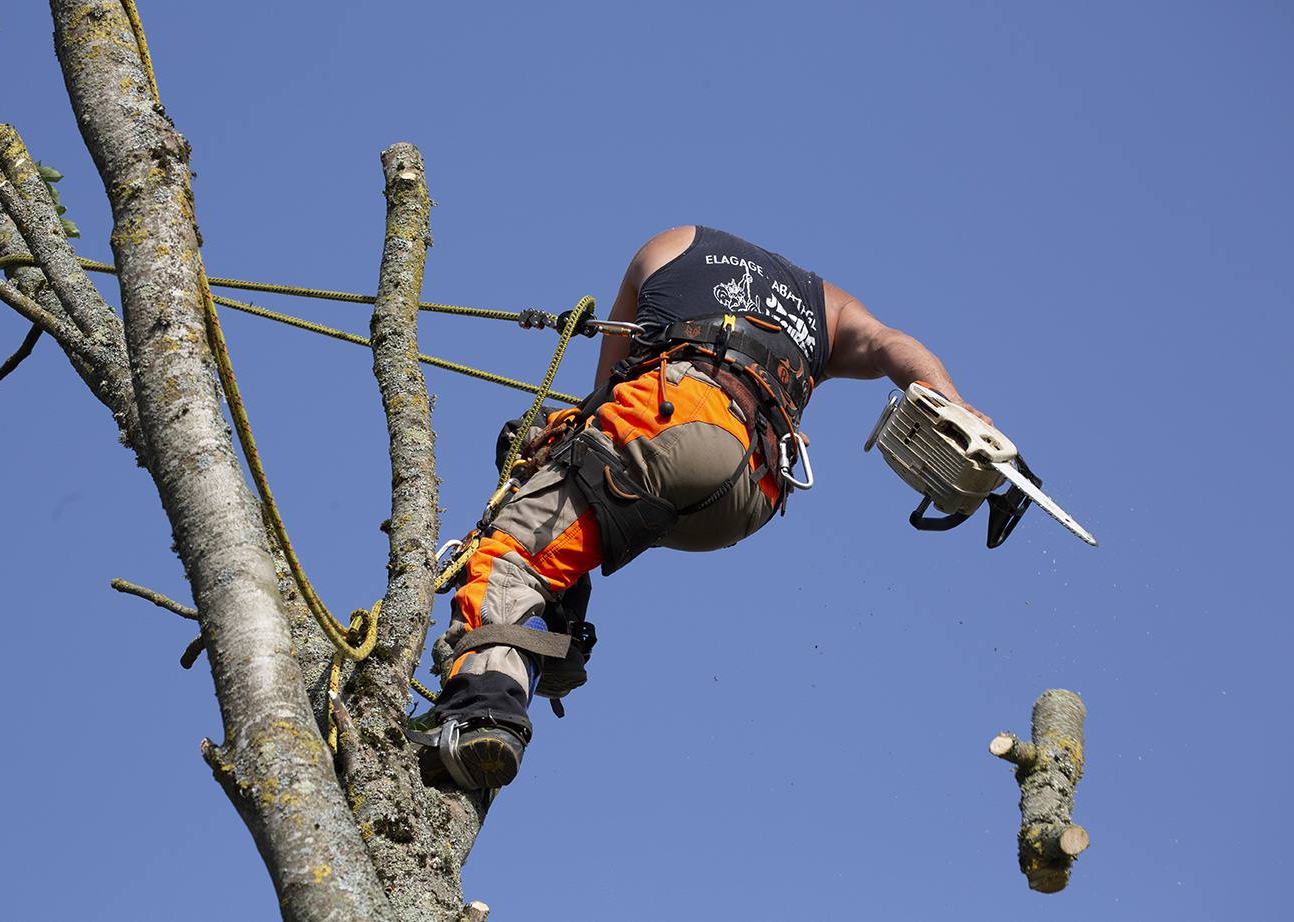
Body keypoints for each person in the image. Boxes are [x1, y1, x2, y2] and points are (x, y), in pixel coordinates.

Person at [413, 226, 987, 790]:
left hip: (678, 414)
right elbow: (893, 346)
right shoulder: (830, 310)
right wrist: (956, 407)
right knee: (578, 503)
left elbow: (604, 395)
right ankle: (551, 634)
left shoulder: (670, 244)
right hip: (753, 490)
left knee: (516, 547)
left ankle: (484, 715)